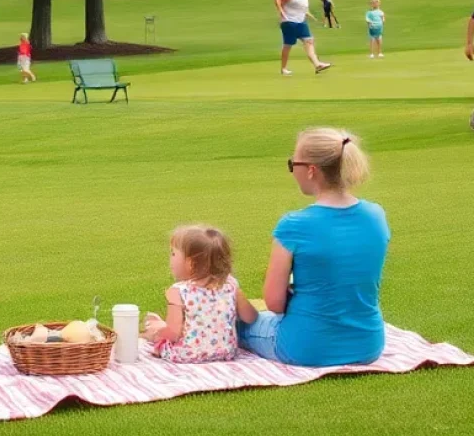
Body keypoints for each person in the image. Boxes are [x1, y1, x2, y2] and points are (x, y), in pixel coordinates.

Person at [237, 128, 390, 367]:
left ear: (311, 170)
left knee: (237, 321)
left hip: (306, 347)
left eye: (292, 164)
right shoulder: (376, 215)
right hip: (368, 344)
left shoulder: (294, 225)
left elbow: (274, 303)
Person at [143, 225, 257, 363]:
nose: (170, 259)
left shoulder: (178, 291)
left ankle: (152, 331)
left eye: (173, 254)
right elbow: (250, 317)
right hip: (227, 352)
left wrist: (157, 332)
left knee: (156, 331)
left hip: (186, 355)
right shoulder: (231, 285)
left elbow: (173, 333)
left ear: (191, 263)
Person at [274, 0, 332, 76]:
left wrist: (310, 15)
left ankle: (317, 64)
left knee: (309, 41)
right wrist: (281, 11)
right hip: (289, 22)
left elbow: (302, 9)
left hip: (301, 22)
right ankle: (283, 69)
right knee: (288, 45)